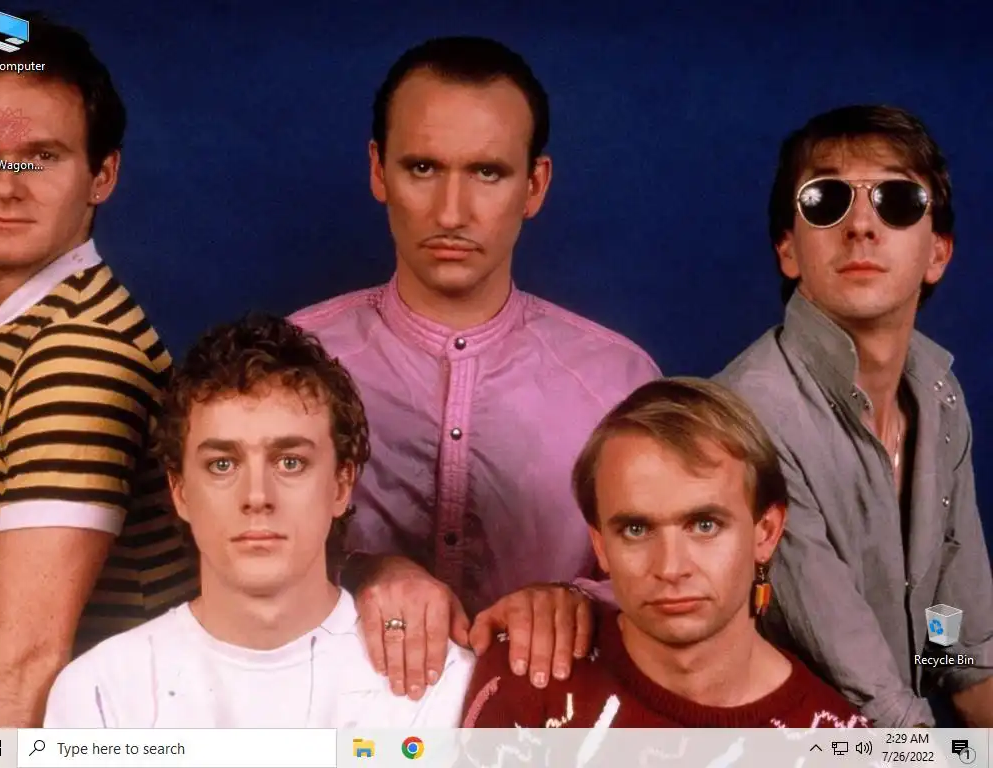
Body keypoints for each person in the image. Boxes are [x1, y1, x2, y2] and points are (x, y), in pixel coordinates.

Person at [289, 36, 660, 700]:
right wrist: (360, 569)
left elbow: (678, 568)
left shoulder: (620, 383)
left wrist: (577, 597)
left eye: (487, 172)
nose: (452, 213)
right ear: (378, 171)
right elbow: (218, 550)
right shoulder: (290, 363)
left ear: (534, 185)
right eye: (422, 167)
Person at [43, 314, 475, 727]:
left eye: (290, 462)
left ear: (341, 485)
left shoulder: (445, 686)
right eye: (222, 464)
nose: (256, 497)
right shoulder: (100, 693)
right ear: (180, 491)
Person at [716, 105, 993, 727]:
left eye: (897, 200)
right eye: (826, 200)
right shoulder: (750, 417)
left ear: (938, 253)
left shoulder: (939, 395)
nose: (861, 225)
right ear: (788, 249)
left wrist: (953, 668)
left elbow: (956, 651)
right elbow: (871, 701)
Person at [0, 15, 195, 726]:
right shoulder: (6, 327)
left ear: (102, 175)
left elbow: (28, 660)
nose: (4, 186)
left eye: (40, 157)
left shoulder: (79, 351)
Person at [462, 378, 866, 728]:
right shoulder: (524, 676)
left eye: (705, 525)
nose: (671, 568)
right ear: (600, 545)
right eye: (636, 530)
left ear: (767, 532)